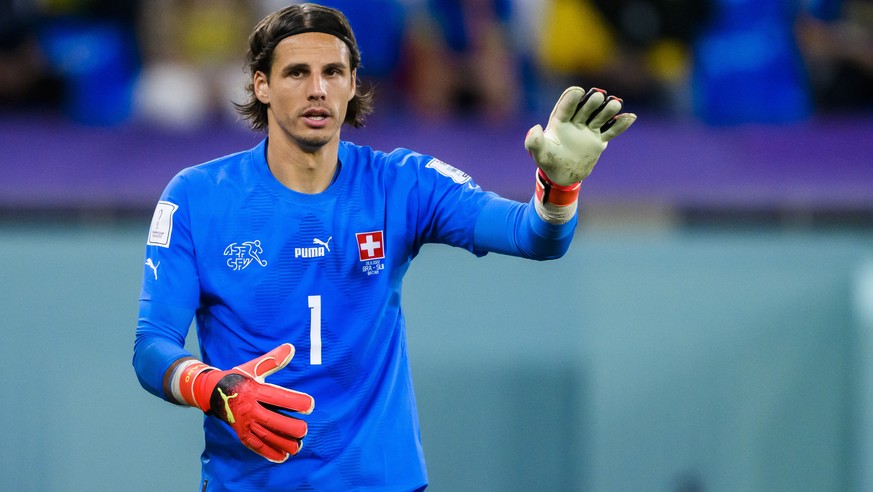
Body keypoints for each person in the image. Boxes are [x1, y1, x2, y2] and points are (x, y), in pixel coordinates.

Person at [131, 3, 635, 490]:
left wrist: (559, 187)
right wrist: (217, 390)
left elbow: (534, 235)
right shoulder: (197, 197)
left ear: (353, 84)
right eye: (296, 73)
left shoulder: (401, 183)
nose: (317, 90)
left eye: (333, 72)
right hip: (251, 484)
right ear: (260, 84)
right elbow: (152, 347)